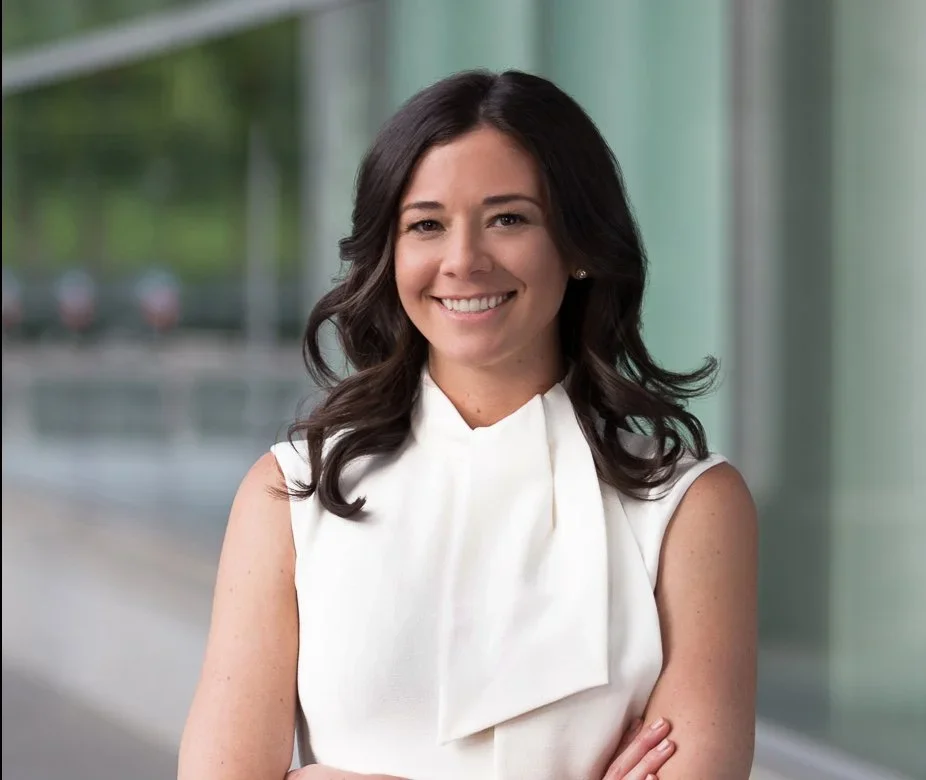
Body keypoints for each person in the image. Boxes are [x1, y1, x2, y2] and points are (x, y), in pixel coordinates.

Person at [178, 69, 758, 780]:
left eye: (508, 219)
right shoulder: (290, 496)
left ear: (576, 246)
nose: (463, 262)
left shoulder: (689, 508)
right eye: (426, 225)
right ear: (390, 255)